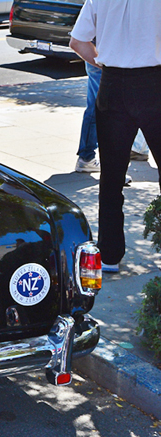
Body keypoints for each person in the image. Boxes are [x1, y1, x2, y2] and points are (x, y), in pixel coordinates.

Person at [69, 0, 161, 273]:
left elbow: (77, 42)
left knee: (111, 179)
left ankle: (109, 256)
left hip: (112, 84)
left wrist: (104, 61)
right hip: (154, 83)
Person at [75, 61, 101, 172]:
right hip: (106, 62)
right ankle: (86, 157)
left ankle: (86, 157)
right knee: (110, 111)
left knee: (95, 108)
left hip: (100, 60)